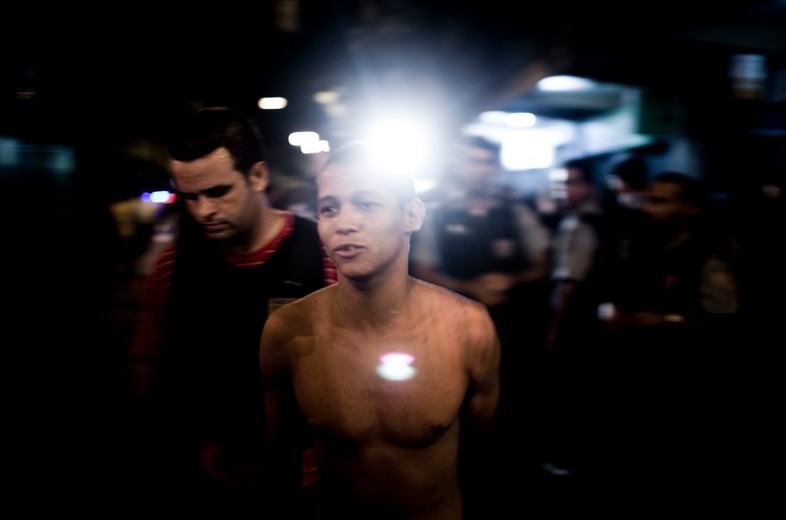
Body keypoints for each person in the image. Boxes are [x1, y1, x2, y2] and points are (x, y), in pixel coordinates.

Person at [259, 141, 501, 519]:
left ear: (412, 215)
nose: (345, 222)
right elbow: (280, 467)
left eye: (367, 203)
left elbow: (482, 462)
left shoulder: (469, 330)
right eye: (329, 208)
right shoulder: (288, 333)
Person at [129, 106, 336, 516]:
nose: (203, 210)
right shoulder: (173, 266)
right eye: (190, 196)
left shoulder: (325, 255)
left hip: (310, 483)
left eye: (218, 191)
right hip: (209, 478)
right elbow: (148, 363)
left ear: (258, 176)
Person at [594, 171, 741, 513]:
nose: (649, 208)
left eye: (660, 201)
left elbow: (726, 319)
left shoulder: (711, 253)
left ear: (689, 208)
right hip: (645, 374)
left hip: (687, 381)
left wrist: (668, 321)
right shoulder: (647, 242)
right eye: (648, 199)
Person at [408, 134, 551, 479]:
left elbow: (542, 260)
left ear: (496, 168)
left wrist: (512, 281)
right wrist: (471, 288)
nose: (479, 170)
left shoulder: (515, 212)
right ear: (458, 165)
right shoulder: (438, 214)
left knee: (515, 401)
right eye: (472, 161)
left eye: (486, 162)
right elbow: (424, 269)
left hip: (511, 330)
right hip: (454, 331)